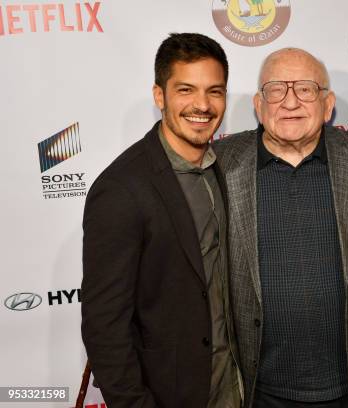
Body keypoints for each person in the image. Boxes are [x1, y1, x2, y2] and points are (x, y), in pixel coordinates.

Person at [81, 33, 241, 408]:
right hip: (172, 394)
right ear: (159, 96)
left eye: (214, 91)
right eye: (186, 90)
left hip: (235, 384)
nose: (202, 105)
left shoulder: (223, 167)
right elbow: (104, 326)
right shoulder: (122, 188)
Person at [214, 48, 348, 408]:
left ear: (328, 104)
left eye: (305, 89)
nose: (290, 102)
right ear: (258, 104)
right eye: (275, 89)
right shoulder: (221, 165)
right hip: (259, 392)